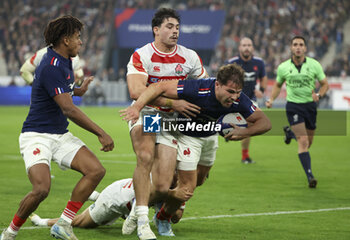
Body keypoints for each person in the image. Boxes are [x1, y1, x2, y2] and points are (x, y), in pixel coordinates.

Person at [121, 63, 271, 235]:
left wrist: (244, 132)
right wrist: (137, 107)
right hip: (187, 137)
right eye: (230, 92)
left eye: (237, 93)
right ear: (217, 84)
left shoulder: (239, 99)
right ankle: (154, 214)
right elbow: (157, 86)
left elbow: (265, 123)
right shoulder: (198, 88)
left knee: (197, 182)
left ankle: (155, 198)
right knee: (185, 190)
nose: (234, 97)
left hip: (209, 138)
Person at [0, 15, 114, 240]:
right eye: (77, 37)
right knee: (42, 189)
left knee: (96, 171)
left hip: (59, 135)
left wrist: (78, 91)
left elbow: (64, 92)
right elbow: (68, 109)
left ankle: (63, 223)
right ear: (65, 40)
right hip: (37, 136)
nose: (80, 42)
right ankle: (10, 233)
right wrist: (101, 133)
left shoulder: (64, 60)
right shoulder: (52, 65)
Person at [124, 8, 207, 240]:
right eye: (169, 27)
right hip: (149, 113)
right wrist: (174, 101)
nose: (175, 31)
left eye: (177, 28)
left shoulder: (189, 57)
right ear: (156, 30)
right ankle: (142, 222)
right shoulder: (142, 55)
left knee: (162, 186)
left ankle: (134, 208)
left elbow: (204, 87)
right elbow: (136, 90)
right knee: (145, 156)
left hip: (171, 121)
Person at [265, 36, 329, 188]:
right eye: (295, 44)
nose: (298, 47)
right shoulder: (283, 67)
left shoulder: (314, 65)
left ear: (305, 48)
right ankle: (310, 176)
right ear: (291, 48)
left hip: (310, 107)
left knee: (308, 143)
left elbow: (325, 84)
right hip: (293, 106)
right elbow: (278, 85)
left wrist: (319, 94)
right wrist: (271, 99)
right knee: (304, 141)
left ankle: (290, 133)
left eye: (301, 45)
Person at [29, 177, 188, 229]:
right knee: (82, 223)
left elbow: (175, 218)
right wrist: (174, 196)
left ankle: (96, 196)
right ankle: (42, 221)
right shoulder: (159, 183)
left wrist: (179, 199)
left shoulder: (173, 182)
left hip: (123, 193)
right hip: (115, 199)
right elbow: (136, 208)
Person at [225, 37, 268, 164]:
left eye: (249, 45)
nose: (247, 48)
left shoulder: (259, 63)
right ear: (239, 48)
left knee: (250, 126)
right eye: (244, 45)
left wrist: (262, 89)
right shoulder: (232, 62)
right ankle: (227, 131)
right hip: (232, 98)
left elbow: (264, 77)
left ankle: (245, 156)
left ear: (252, 48)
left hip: (250, 100)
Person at [20, 48, 84, 85]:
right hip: (43, 101)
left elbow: (80, 78)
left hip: (64, 98)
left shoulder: (74, 57)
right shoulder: (42, 54)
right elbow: (24, 70)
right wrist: (35, 85)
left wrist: (78, 80)